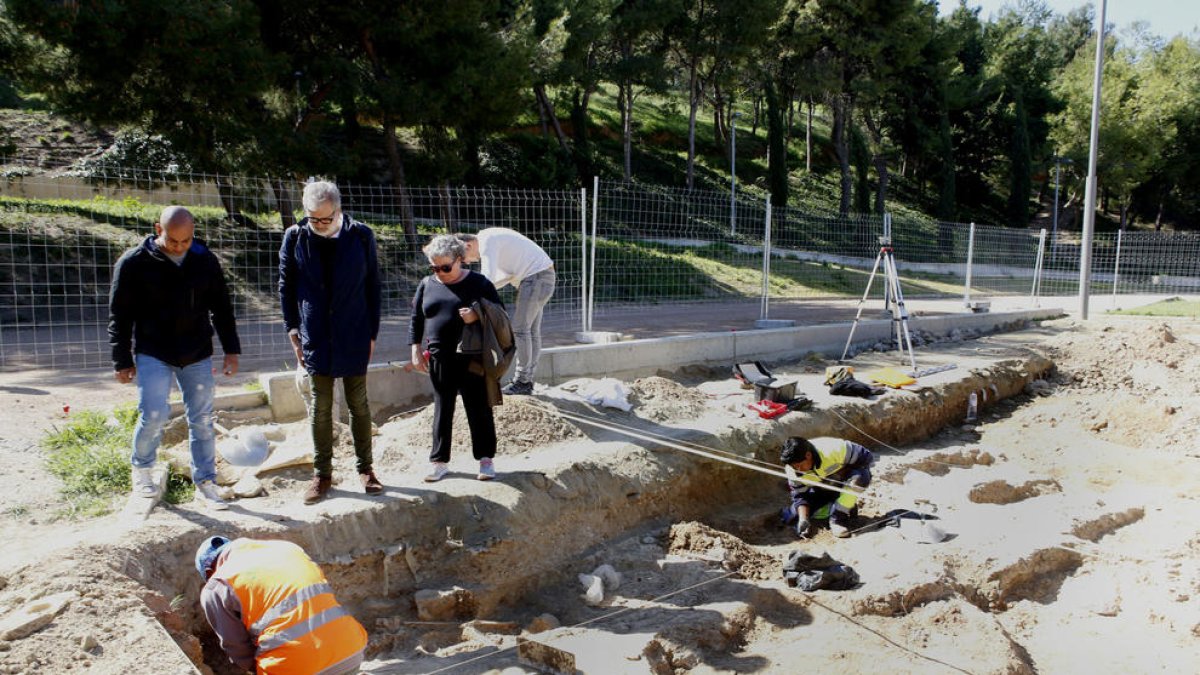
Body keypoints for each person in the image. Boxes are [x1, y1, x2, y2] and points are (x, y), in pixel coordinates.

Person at [108, 206, 240, 510]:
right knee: (153, 414)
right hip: (154, 350)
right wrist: (121, 359)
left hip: (196, 352)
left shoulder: (204, 260)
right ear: (158, 229)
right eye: (173, 241)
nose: (180, 247)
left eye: (186, 241)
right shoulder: (133, 263)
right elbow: (120, 316)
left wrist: (231, 350)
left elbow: (221, 308)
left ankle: (206, 483)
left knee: (203, 419)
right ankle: (142, 473)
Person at [279, 181, 383, 504]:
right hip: (316, 335)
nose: (320, 225)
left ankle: (366, 469)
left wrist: (372, 334)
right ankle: (322, 474)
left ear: (338, 211)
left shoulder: (361, 235)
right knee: (320, 407)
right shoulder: (295, 237)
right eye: (313, 218)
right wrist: (293, 332)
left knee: (359, 404)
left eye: (326, 218)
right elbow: (286, 286)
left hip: (354, 331)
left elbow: (373, 286)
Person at [196, 535, 368, 675]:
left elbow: (237, 648)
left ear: (209, 572)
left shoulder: (217, 585)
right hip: (350, 651)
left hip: (293, 667)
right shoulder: (289, 549)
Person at [409, 235, 503, 482]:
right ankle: (439, 462)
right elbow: (417, 319)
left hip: (472, 358)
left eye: (445, 267)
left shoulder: (480, 284)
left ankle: (485, 460)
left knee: (478, 407)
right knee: (442, 407)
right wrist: (415, 348)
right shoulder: (426, 284)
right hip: (440, 358)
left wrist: (476, 315)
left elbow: (500, 316)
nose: (440, 272)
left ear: (460, 259)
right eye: (434, 267)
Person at [457, 228, 554, 395]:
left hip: (536, 279)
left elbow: (487, 277)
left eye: (463, 258)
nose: (467, 262)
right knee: (530, 331)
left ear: (468, 245)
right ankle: (526, 380)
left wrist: (472, 301)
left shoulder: (487, 241)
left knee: (520, 331)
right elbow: (498, 280)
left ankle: (523, 381)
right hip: (542, 277)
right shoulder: (492, 239)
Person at [779, 436, 874, 539]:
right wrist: (803, 519)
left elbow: (866, 457)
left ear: (808, 455)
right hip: (819, 488)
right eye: (794, 467)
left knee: (860, 479)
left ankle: (837, 519)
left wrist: (844, 473)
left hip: (842, 482)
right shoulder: (792, 471)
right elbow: (800, 496)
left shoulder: (833, 449)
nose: (798, 469)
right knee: (792, 517)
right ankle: (838, 507)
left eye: (799, 465)